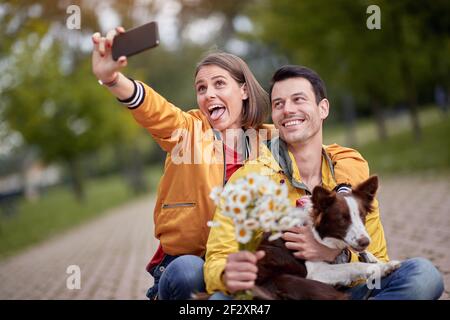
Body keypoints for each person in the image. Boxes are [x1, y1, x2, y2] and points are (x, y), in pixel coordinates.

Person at [91, 26, 371, 300]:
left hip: (254, 264)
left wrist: (344, 190)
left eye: (219, 84)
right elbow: (154, 110)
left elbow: (333, 154)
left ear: (244, 90)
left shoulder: (272, 139)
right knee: (190, 272)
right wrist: (114, 79)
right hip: (192, 263)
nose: (208, 94)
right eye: (201, 88)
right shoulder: (188, 132)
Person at [204, 65, 445, 300]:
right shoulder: (248, 179)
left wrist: (333, 250)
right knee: (219, 301)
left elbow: (376, 257)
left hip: (347, 289)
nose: (287, 110)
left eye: (298, 99)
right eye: (278, 104)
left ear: (323, 108)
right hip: (287, 291)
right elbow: (218, 256)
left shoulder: (349, 167)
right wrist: (227, 274)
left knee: (423, 276)